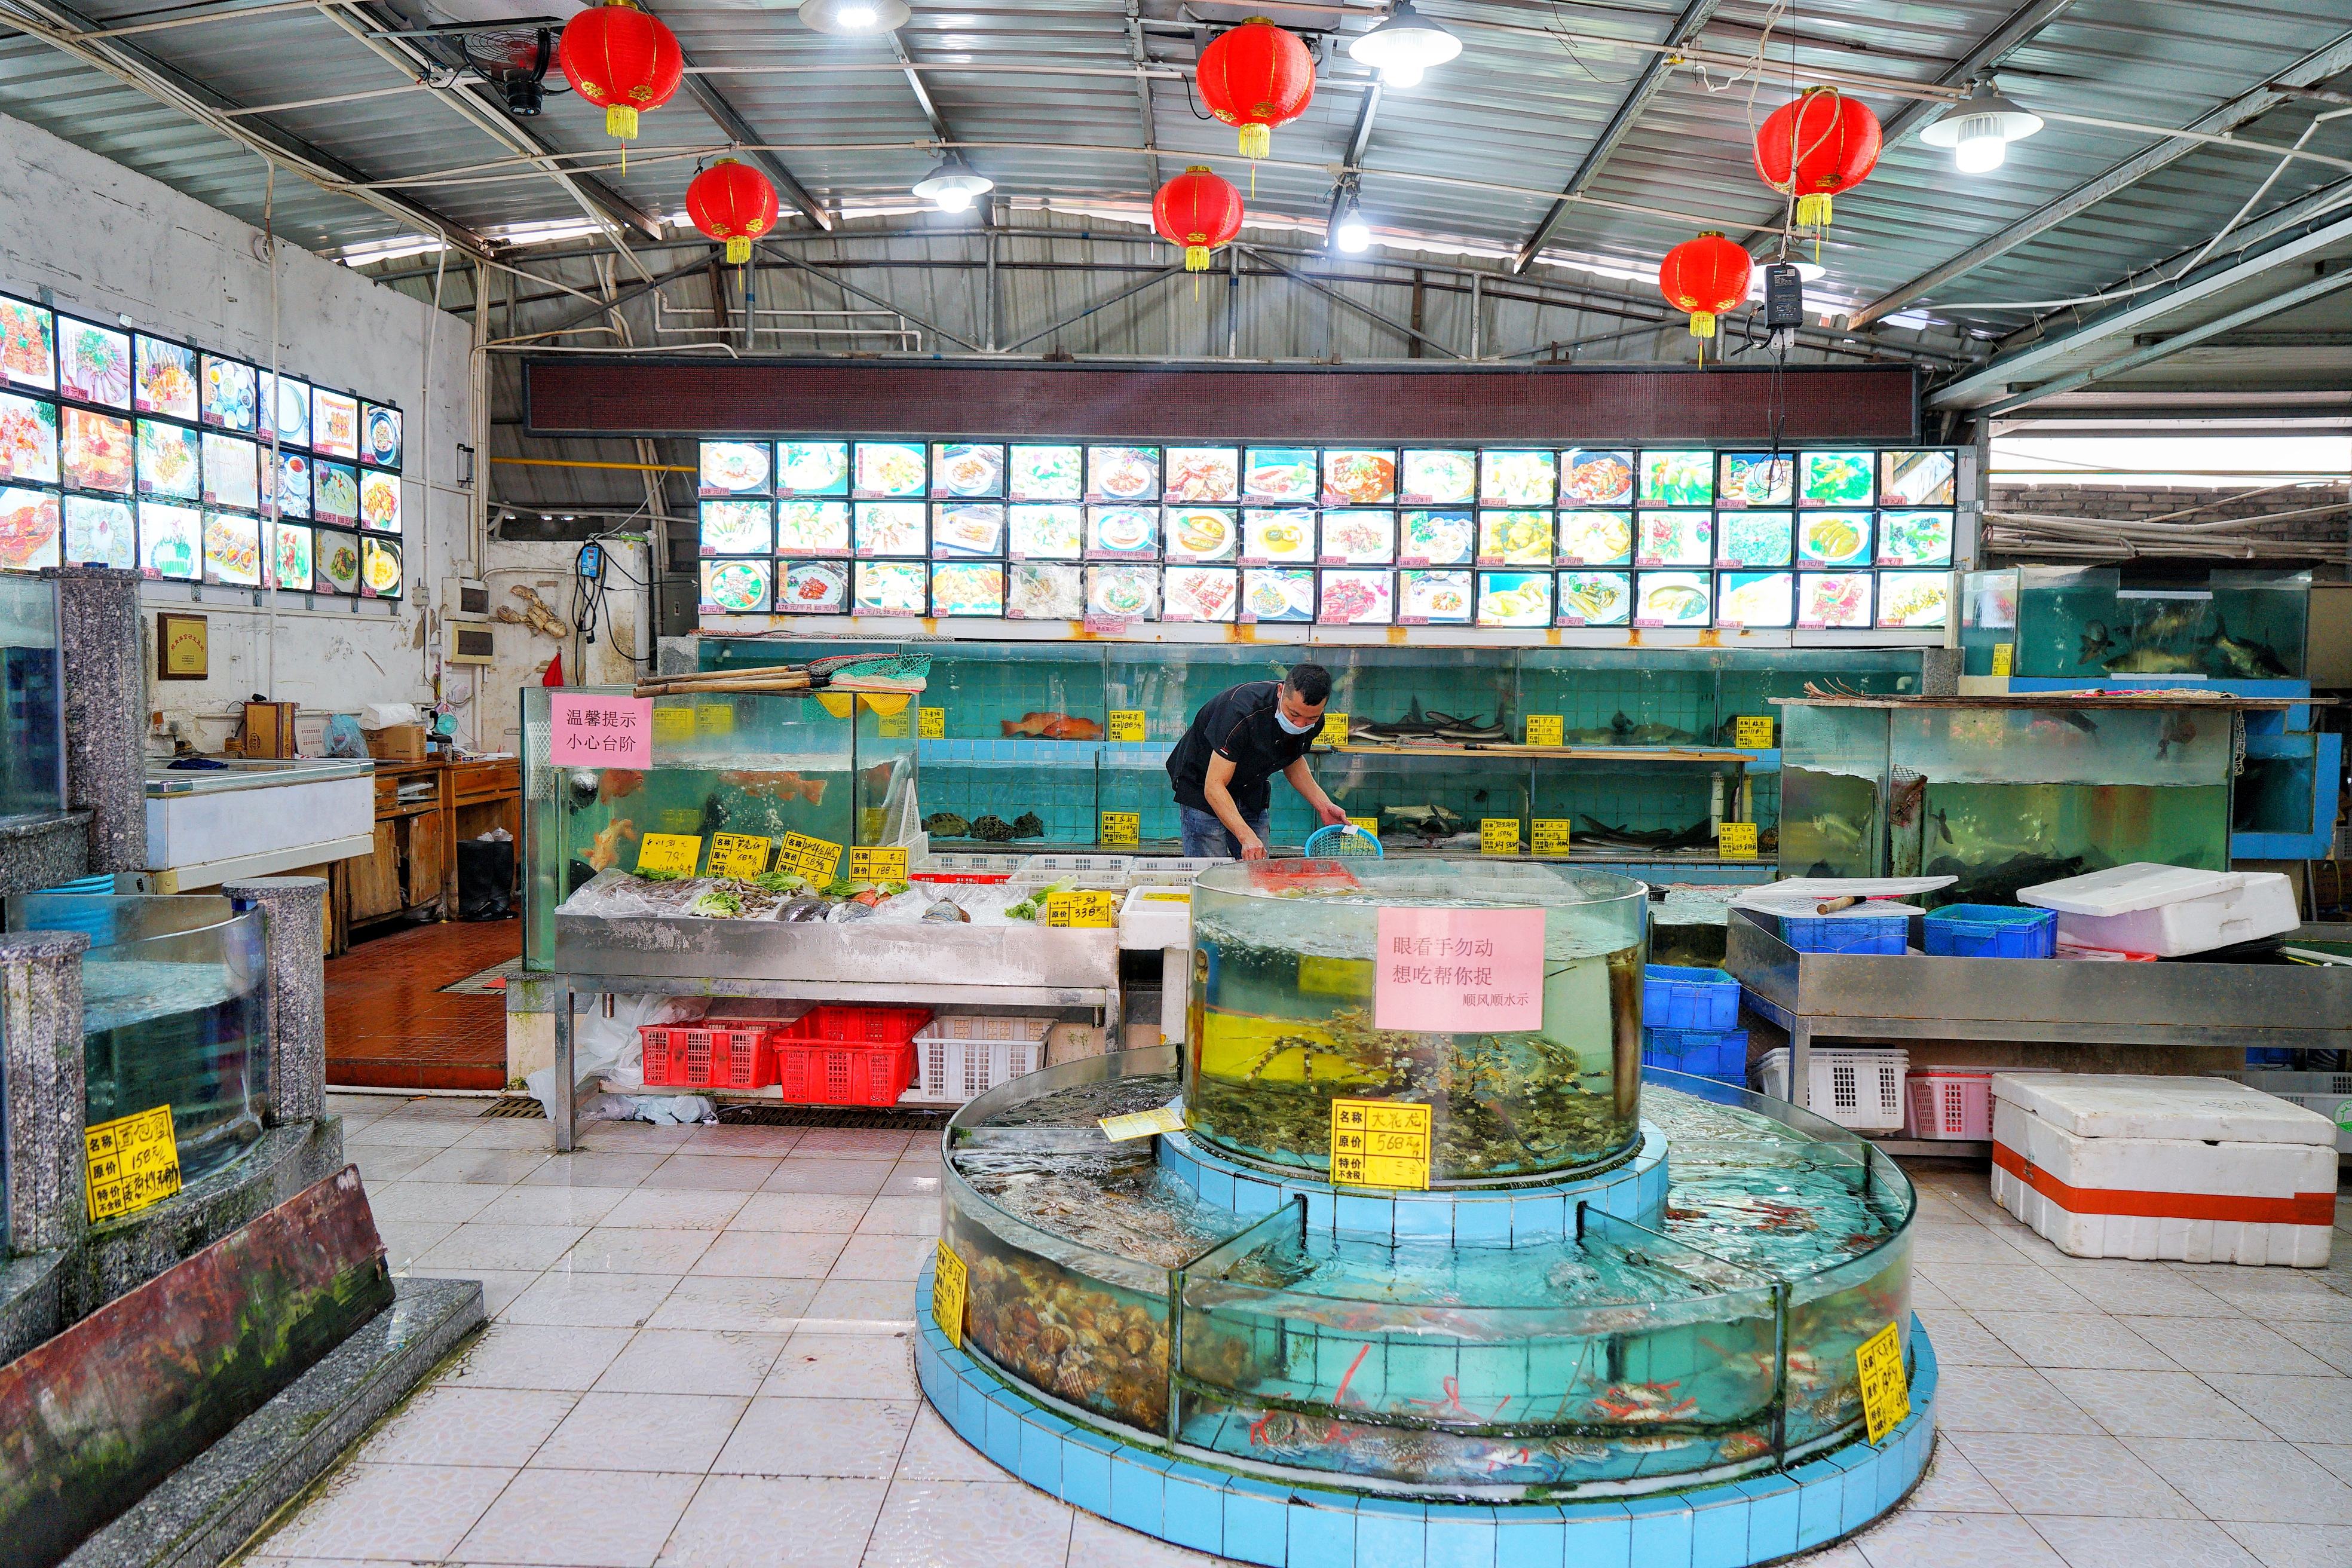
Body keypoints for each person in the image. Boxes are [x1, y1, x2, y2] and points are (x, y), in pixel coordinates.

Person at [1166, 664, 1350, 860]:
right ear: (1281, 691)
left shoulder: (1313, 721)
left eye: (1310, 718)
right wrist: (1246, 836)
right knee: (1210, 870)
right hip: (1203, 784)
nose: (1300, 725)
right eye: (1294, 714)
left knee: (1258, 871)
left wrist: (1323, 804)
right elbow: (1214, 786)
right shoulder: (1241, 711)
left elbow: (1293, 760)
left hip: (1250, 787)